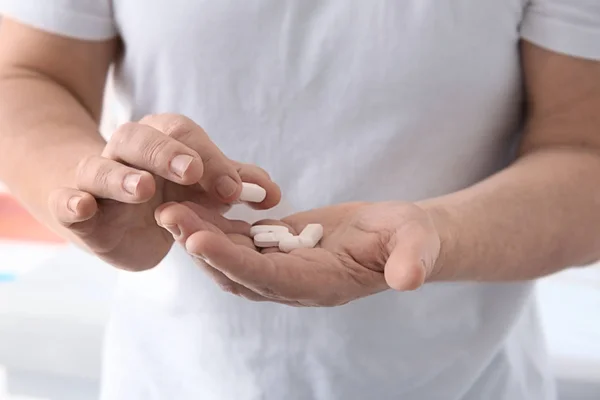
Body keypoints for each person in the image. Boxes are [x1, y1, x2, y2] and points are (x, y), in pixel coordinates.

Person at [0, 1, 599, 399]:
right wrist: (89, 188)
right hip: (169, 378)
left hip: (460, 382)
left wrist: (438, 233)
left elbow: (584, 152)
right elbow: (27, 75)